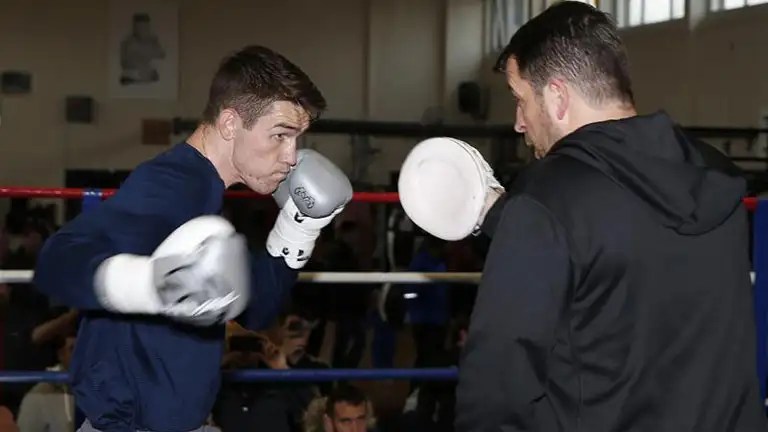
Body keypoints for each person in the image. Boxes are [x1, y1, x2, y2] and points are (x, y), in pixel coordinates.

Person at [398, 2, 767, 431]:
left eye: (520, 99)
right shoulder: (713, 175)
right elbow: (630, 274)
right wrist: (506, 218)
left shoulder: (547, 197)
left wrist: (523, 220)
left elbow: (497, 385)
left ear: (557, 97)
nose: (519, 123)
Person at [33, 45, 353, 432]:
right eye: (281, 135)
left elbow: (257, 309)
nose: (291, 156)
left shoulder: (207, 193)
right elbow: (58, 257)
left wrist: (299, 227)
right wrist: (149, 285)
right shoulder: (173, 185)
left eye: (297, 139)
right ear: (231, 123)